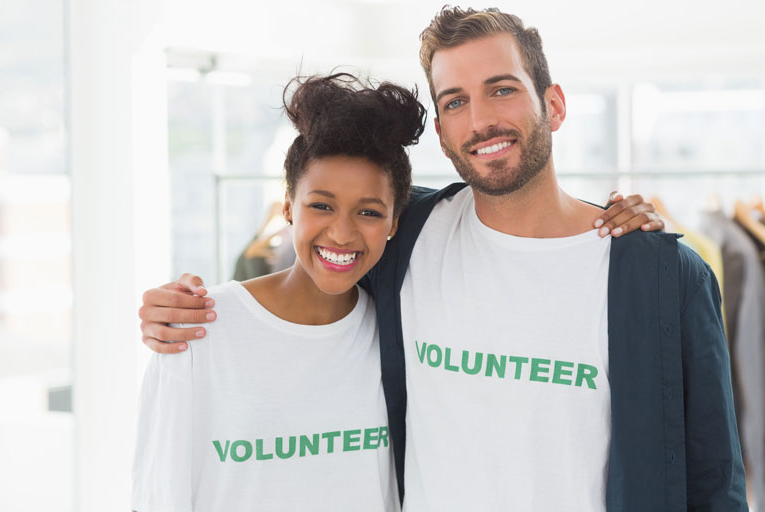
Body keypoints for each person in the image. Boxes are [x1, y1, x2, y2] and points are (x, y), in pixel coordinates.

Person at [135, 6, 747, 511]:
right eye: (454, 101)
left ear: (554, 105)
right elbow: (331, 242)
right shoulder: (412, 235)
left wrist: (639, 228)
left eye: (501, 90)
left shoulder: (659, 275)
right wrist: (186, 307)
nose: (480, 120)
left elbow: (713, 478)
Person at [132, 73, 427, 511]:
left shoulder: (398, 334)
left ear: (394, 224)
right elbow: (157, 498)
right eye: (321, 205)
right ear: (288, 204)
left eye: (368, 211)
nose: (342, 233)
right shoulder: (197, 331)